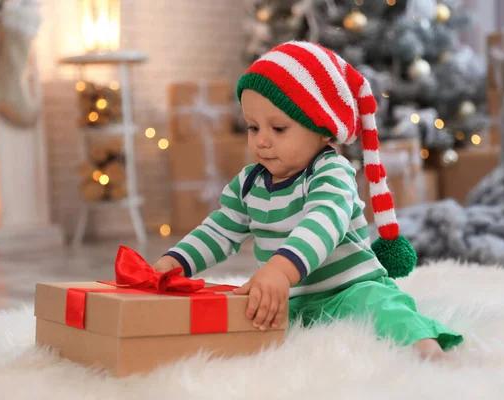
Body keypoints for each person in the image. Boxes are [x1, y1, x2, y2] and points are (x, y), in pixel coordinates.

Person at [154, 41, 463, 360]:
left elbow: (323, 222)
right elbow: (219, 231)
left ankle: (427, 352)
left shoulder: (331, 172)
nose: (261, 139)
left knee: (382, 308)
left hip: (348, 288)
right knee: (248, 323)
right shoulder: (249, 182)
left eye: (278, 128)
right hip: (291, 298)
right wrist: (175, 261)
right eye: (253, 126)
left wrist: (280, 269)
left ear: (323, 130)